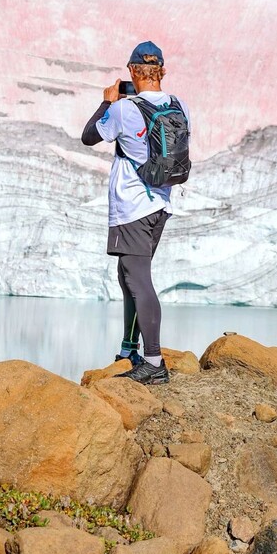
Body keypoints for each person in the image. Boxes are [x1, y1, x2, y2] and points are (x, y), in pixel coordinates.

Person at [81, 41, 191, 385]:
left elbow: (88, 136)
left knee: (138, 280)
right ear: (162, 72)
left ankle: (153, 362)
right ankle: (129, 348)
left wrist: (107, 101)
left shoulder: (123, 109)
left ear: (132, 72)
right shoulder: (179, 106)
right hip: (161, 205)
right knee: (128, 275)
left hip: (132, 207)